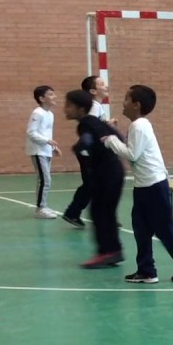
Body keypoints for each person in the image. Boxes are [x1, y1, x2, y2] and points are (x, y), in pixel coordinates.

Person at [102, 85, 173, 284]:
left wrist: (111, 140)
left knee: (164, 229)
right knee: (140, 228)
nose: (122, 102)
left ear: (136, 105)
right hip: (143, 187)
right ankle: (147, 270)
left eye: (126, 98)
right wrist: (113, 134)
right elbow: (133, 149)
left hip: (155, 186)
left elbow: (132, 154)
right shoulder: (137, 126)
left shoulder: (139, 125)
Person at [62, 89, 125, 268]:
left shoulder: (86, 124)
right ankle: (113, 251)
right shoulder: (94, 122)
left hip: (107, 173)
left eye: (68, 105)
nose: (65, 109)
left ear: (80, 109)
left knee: (100, 212)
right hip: (112, 172)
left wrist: (79, 147)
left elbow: (87, 141)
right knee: (104, 212)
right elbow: (118, 136)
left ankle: (107, 252)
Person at [63, 75, 114, 227]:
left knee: (93, 184)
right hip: (89, 153)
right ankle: (74, 212)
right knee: (93, 184)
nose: (106, 86)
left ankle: (74, 213)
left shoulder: (97, 106)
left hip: (92, 152)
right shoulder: (93, 106)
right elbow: (90, 128)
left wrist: (107, 125)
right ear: (92, 90)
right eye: (102, 84)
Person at [25, 85, 62, 219]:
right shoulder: (37, 113)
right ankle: (40, 208)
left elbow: (46, 133)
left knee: (44, 179)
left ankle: (43, 205)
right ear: (41, 98)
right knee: (45, 179)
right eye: (51, 94)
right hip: (37, 150)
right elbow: (31, 132)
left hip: (46, 150)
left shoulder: (50, 114)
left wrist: (52, 147)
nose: (54, 96)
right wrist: (47, 141)